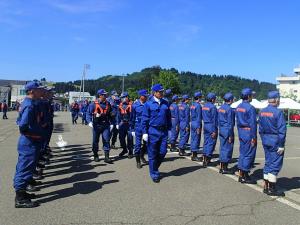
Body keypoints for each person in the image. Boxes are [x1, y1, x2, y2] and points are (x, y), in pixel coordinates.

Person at [13, 81, 44, 208]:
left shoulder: (29, 103)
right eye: (38, 89)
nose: (40, 91)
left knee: (27, 167)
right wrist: (33, 134)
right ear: (31, 91)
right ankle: (20, 198)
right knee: (24, 168)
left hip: (31, 141)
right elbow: (23, 125)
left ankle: (23, 193)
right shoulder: (30, 105)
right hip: (29, 142)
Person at [142, 84, 171, 183]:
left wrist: (170, 130)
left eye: (163, 91)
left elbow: (168, 117)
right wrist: (144, 132)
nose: (162, 93)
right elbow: (144, 119)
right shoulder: (148, 104)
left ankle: (154, 167)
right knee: (152, 153)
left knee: (163, 152)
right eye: (160, 92)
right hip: (152, 131)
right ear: (155, 92)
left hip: (163, 131)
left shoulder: (166, 103)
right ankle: (154, 173)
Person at [259, 91, 286, 196]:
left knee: (268, 162)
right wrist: (281, 145)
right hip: (275, 140)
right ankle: (272, 189)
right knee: (275, 164)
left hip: (266, 139)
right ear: (276, 100)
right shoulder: (278, 112)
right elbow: (282, 131)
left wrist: (264, 139)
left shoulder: (262, 111)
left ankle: (266, 186)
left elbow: (260, 129)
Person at [236, 88, 257, 184]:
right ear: (248, 96)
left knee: (243, 153)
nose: (252, 97)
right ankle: (245, 175)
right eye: (251, 95)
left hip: (241, 131)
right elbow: (253, 123)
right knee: (248, 154)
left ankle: (241, 174)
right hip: (248, 132)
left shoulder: (238, 106)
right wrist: (254, 137)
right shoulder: (250, 108)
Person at [86, 89, 113, 164]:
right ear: (100, 95)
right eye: (104, 94)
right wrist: (89, 122)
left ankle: (107, 157)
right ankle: (95, 155)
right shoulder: (93, 104)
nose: (105, 96)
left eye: (106, 94)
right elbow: (88, 114)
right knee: (95, 141)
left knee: (106, 140)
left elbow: (111, 114)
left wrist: (112, 123)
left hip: (106, 125)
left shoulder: (108, 104)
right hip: (96, 125)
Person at [131, 89, 149, 169]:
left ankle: (142, 155)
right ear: (140, 96)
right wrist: (132, 129)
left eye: (146, 96)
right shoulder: (135, 105)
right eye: (144, 96)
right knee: (138, 145)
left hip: (147, 127)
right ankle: (138, 161)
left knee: (147, 144)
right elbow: (132, 117)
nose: (146, 97)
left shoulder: (148, 104)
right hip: (138, 127)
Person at [218, 92, 235, 174]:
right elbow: (230, 123)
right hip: (227, 130)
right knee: (227, 149)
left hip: (221, 129)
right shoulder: (229, 109)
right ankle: (225, 168)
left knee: (222, 148)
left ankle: (221, 166)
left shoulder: (221, 107)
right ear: (231, 100)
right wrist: (230, 135)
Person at [202, 93, 218, 167]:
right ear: (212, 99)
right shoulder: (213, 107)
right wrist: (214, 130)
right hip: (211, 125)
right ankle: (207, 160)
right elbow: (214, 119)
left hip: (205, 125)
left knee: (206, 142)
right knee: (211, 142)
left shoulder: (204, 106)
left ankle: (204, 157)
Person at [117, 92, 134, 158]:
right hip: (122, 124)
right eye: (121, 98)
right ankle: (124, 149)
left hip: (129, 124)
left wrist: (133, 124)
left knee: (130, 138)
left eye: (123, 97)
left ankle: (130, 151)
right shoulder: (120, 105)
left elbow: (134, 116)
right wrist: (117, 123)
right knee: (121, 138)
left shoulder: (132, 105)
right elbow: (118, 115)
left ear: (127, 97)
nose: (121, 99)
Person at [190, 92, 202, 161]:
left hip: (193, 123)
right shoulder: (198, 106)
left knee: (193, 138)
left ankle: (193, 153)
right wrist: (198, 127)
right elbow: (199, 117)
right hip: (197, 123)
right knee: (196, 140)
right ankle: (194, 155)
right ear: (199, 97)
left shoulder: (192, 105)